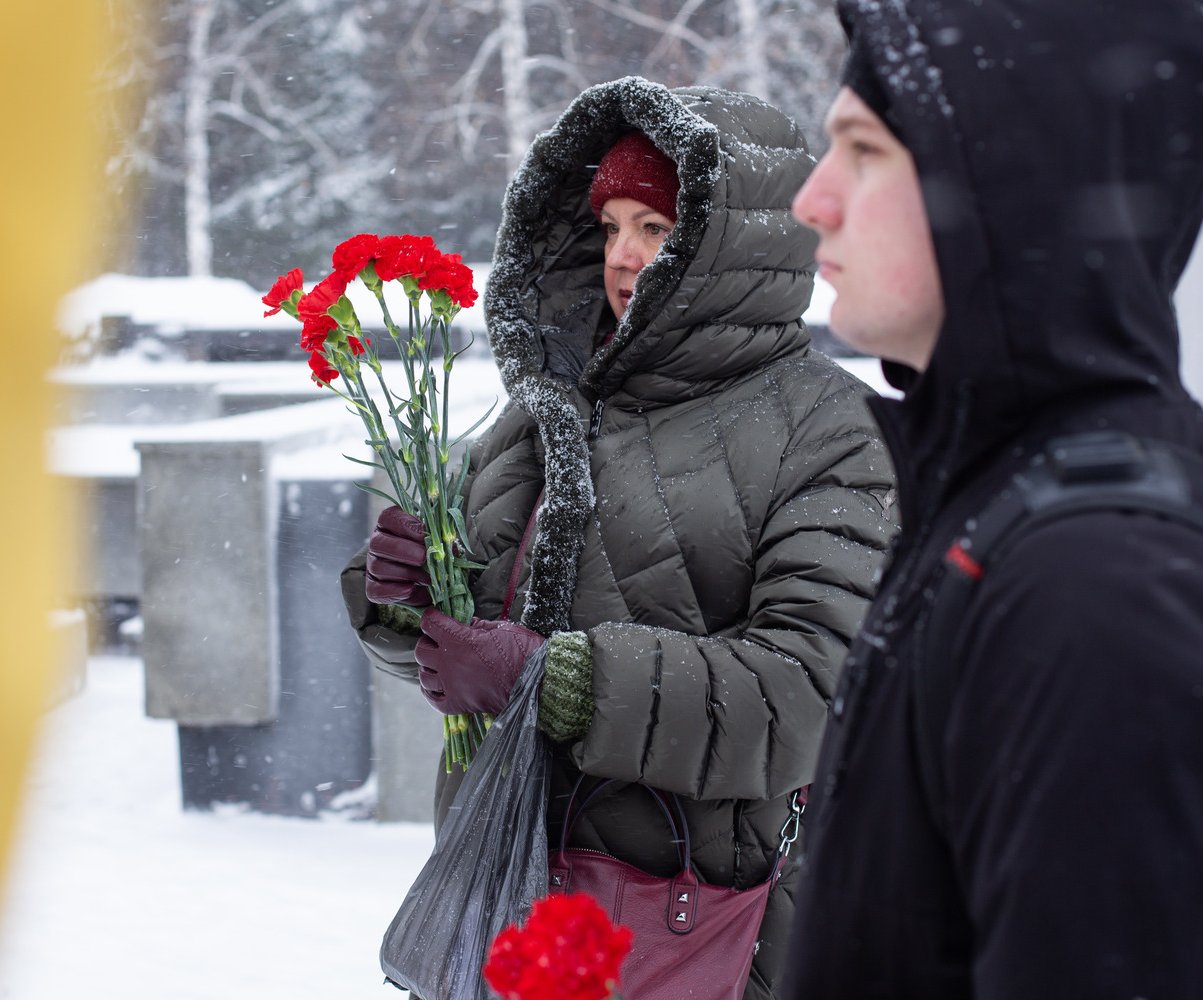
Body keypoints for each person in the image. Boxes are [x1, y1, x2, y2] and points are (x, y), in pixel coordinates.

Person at [343, 76, 897, 995]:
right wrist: (406, 599)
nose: (625, 256)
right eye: (610, 227)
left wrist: (551, 680)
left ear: (731, 246)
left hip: (701, 935)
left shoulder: (832, 432)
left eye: (659, 228)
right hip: (514, 913)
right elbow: (469, 644)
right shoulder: (545, 413)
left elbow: (808, 697)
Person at [782, 1, 1203, 997]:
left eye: (865, 149)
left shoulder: (1101, 595)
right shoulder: (997, 506)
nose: (814, 199)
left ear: (1012, 185)